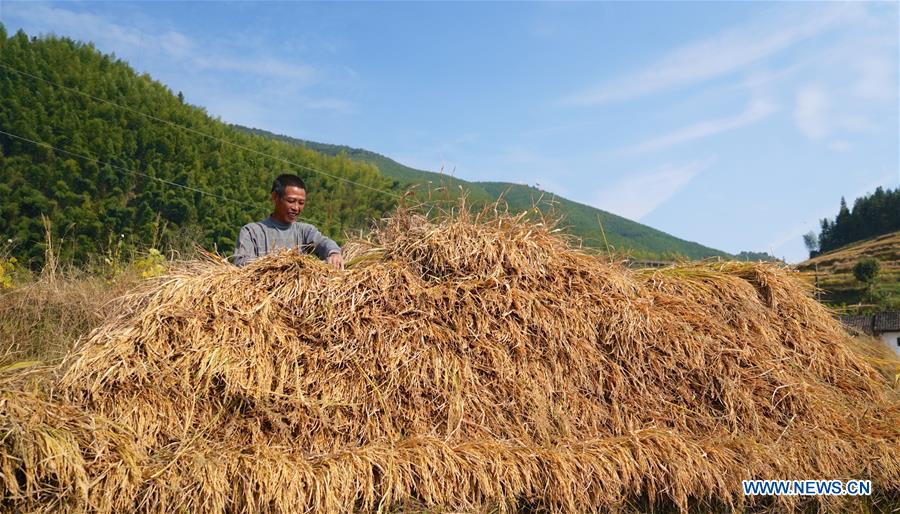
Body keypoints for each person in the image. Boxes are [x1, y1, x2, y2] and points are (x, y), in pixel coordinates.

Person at [233, 174, 344, 269]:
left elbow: (324, 242)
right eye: (291, 201)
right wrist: (281, 268)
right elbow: (242, 263)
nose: (296, 208)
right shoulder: (252, 232)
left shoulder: (305, 231)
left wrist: (334, 253)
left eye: (301, 203)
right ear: (275, 197)